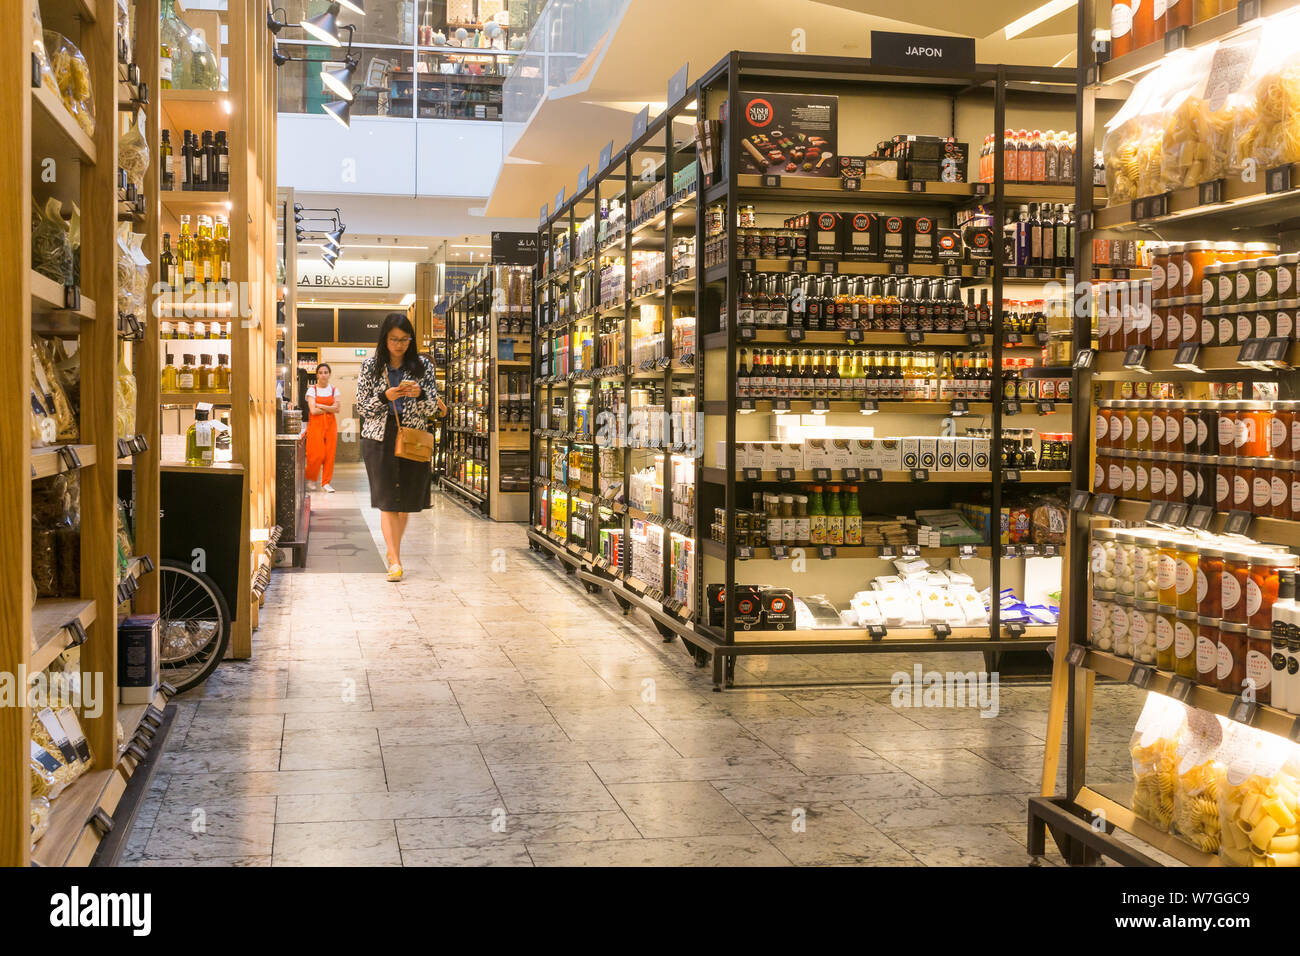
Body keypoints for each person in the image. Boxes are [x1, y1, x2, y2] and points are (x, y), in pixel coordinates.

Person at [356, 313, 445, 581]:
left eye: (405, 339)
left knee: (404, 502)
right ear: (384, 338)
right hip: (379, 438)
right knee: (387, 503)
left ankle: (393, 551)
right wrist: (385, 396)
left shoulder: (423, 367)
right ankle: (394, 559)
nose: (399, 344)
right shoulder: (370, 366)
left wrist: (421, 394)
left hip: (412, 437)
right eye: (394, 339)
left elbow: (433, 409)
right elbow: (362, 407)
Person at [304, 363, 340, 493]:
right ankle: (310, 478)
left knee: (330, 454)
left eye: (326, 372)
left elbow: (338, 409)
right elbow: (313, 411)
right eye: (320, 372)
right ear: (317, 374)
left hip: (331, 426)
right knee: (316, 454)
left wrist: (321, 405)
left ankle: (326, 482)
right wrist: (329, 408)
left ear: (329, 374)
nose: (323, 375)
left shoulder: (334, 390)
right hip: (316, 426)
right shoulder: (312, 390)